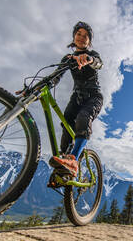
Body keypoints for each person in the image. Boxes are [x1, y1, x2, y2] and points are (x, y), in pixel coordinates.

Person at [48, 21, 103, 177]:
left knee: (83, 117)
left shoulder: (93, 55)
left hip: (93, 96)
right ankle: (63, 160)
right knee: (66, 121)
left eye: (86, 36)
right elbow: (56, 76)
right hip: (76, 97)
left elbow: (99, 64)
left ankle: (74, 160)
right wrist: (38, 86)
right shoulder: (68, 58)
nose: (81, 37)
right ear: (74, 37)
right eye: (79, 34)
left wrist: (89, 60)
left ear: (89, 42)